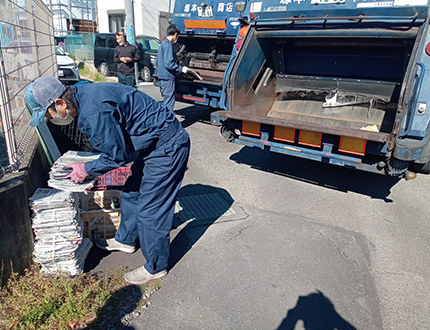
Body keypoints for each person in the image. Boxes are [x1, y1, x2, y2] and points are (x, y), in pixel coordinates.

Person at [24, 76, 190, 285]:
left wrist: (86, 169)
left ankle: (155, 267)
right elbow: (111, 142)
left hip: (167, 146)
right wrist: (90, 167)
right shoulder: (82, 93)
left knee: (152, 210)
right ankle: (125, 240)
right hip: (149, 144)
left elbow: (117, 156)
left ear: (60, 103)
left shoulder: (93, 112)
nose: (51, 120)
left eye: (49, 115)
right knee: (131, 192)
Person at [156, 24, 189, 111]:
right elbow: (169, 63)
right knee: (169, 102)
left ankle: (165, 121)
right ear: (175, 34)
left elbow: (158, 62)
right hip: (168, 77)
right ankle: (168, 123)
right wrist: (181, 69)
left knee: (166, 100)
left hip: (162, 76)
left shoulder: (163, 44)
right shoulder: (168, 45)